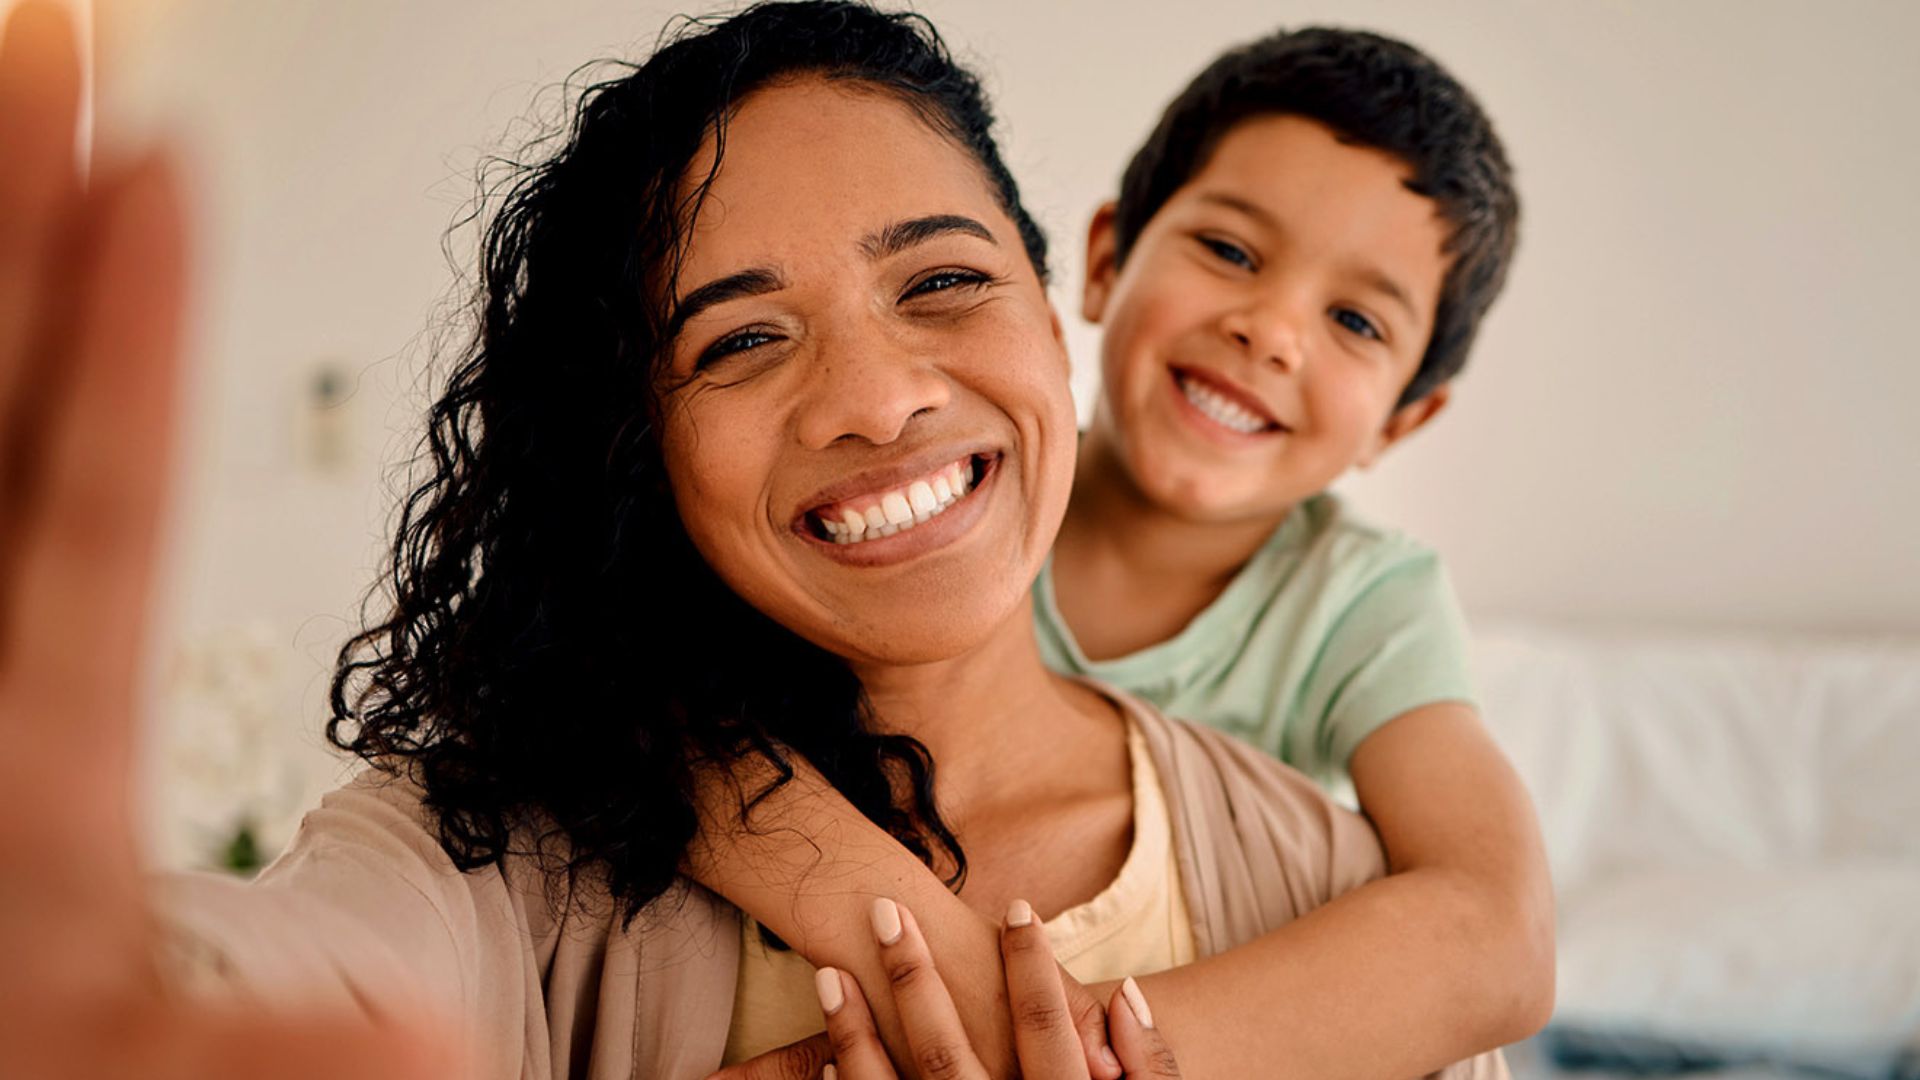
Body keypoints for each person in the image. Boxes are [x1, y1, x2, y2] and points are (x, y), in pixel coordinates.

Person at [0, 4, 1500, 1079]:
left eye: (942, 283)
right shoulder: (501, 859)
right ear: (632, 438)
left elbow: (1494, 936)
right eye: (737, 343)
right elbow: (287, 967)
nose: (875, 397)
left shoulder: (1325, 886)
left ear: (1050, 314)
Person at [696, 26, 1553, 1080]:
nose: (1272, 331)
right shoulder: (949, 503)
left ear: (1402, 421)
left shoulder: (1364, 600)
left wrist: (1081, 1045)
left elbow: (1496, 936)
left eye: (1354, 321)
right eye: (1232, 253)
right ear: (1103, 262)